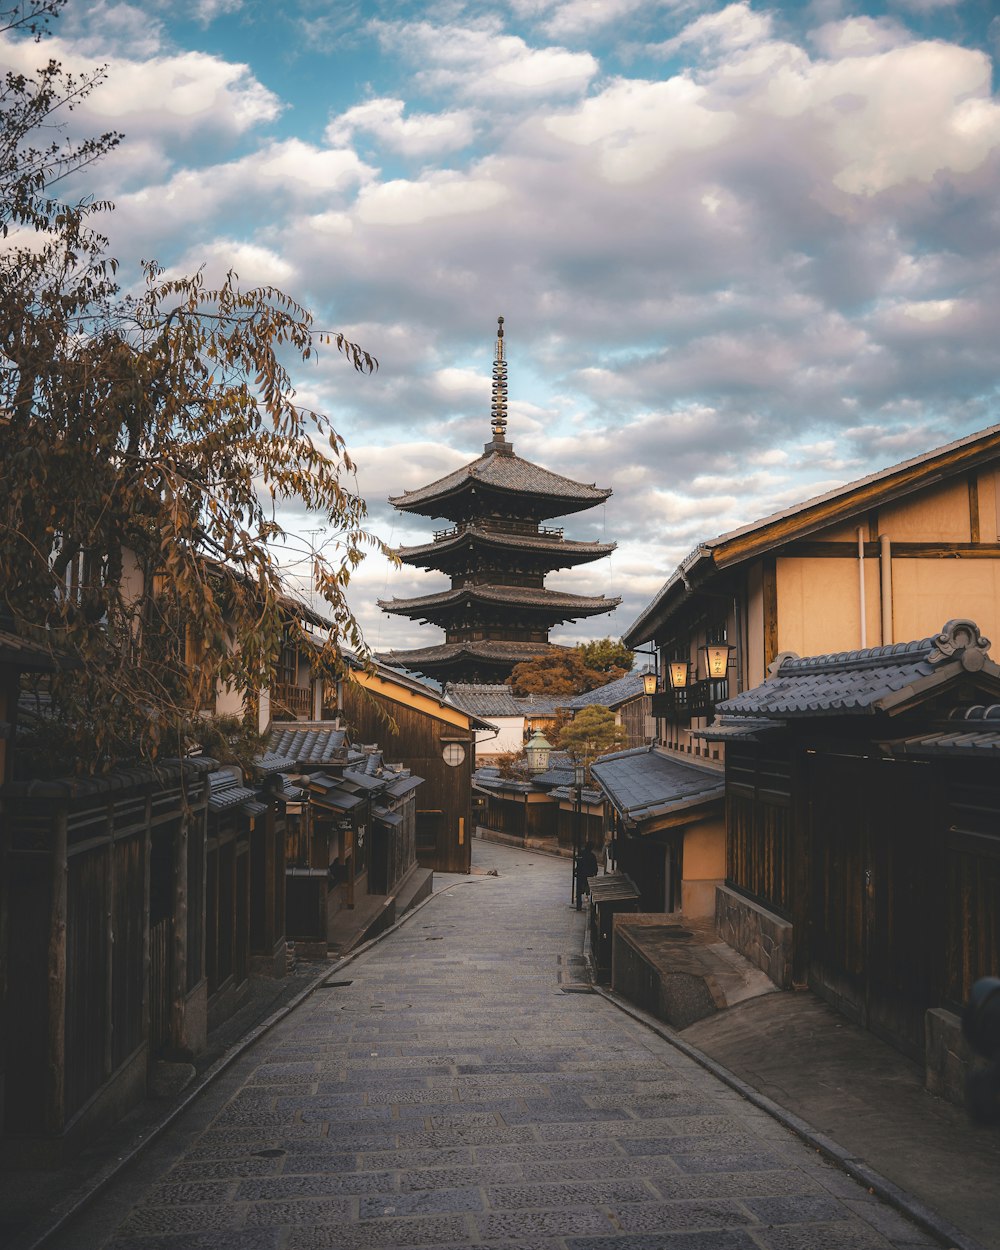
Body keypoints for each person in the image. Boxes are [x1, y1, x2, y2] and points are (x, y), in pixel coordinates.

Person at [576, 843, 598, 910]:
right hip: (588, 874)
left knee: (580, 887)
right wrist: (595, 872)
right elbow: (594, 866)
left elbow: (577, 861)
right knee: (587, 886)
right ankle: (587, 897)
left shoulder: (581, 853)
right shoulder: (592, 856)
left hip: (581, 873)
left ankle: (579, 903)